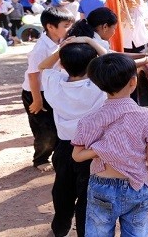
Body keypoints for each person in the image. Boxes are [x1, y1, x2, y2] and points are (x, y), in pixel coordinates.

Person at [71, 53, 148, 236]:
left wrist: (99, 149)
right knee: (136, 232)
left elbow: (77, 156)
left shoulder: (89, 120)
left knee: (98, 232)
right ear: (133, 82)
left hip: (101, 185)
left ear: (99, 84)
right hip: (138, 184)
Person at [38, 37, 107, 237]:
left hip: (65, 148)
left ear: (63, 64)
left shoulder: (55, 84)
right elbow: (112, 60)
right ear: (92, 65)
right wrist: (89, 41)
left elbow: (43, 66)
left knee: (62, 192)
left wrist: (63, 49)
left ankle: (59, 229)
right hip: (91, 150)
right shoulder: (97, 86)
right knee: (87, 197)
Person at [22, 9, 75, 171]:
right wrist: (37, 100)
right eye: (66, 25)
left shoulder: (61, 41)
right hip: (36, 92)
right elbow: (33, 76)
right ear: (50, 27)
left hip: (52, 90)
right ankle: (40, 159)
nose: (70, 28)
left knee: (58, 125)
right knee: (45, 131)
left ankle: (60, 157)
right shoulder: (41, 49)